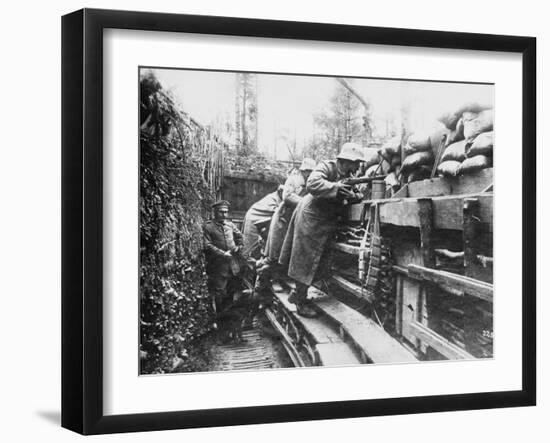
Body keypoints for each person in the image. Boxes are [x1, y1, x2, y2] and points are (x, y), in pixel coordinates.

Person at [279, 143, 365, 317]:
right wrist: (337, 188)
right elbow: (313, 183)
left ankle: (297, 293)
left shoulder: (348, 175)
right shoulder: (327, 166)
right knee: (306, 258)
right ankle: (301, 304)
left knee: (320, 259)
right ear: (348, 161)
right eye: (356, 163)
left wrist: (354, 195)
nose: (358, 167)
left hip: (324, 220)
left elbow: (356, 193)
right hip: (311, 215)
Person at [263, 158, 316, 268]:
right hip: (285, 216)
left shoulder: (312, 183)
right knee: (278, 246)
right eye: (308, 171)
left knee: (294, 246)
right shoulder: (293, 180)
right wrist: (305, 203)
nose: (309, 174)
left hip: (299, 217)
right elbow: (287, 196)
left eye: (311, 172)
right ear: (303, 171)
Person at [203, 200, 244, 313]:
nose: (224, 215)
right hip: (218, 264)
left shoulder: (230, 225)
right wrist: (222, 253)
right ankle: (220, 316)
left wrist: (239, 246)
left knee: (232, 289)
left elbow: (240, 236)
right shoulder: (208, 226)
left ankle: (228, 315)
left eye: (226, 212)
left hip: (232, 263)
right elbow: (207, 245)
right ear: (215, 212)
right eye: (221, 212)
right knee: (219, 291)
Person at [241, 186, 284, 260]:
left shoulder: (278, 198)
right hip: (253, 221)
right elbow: (279, 214)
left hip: (259, 221)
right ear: (280, 191)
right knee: (249, 250)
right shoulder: (272, 199)